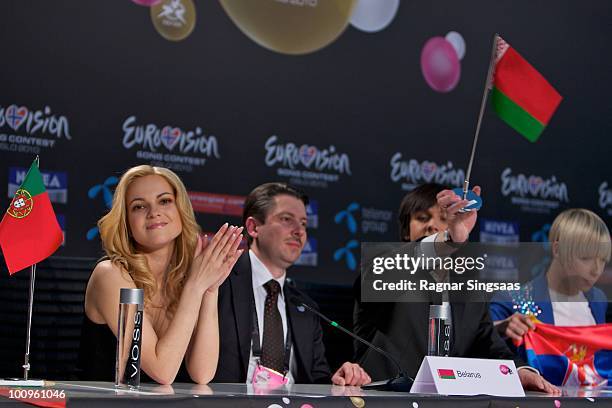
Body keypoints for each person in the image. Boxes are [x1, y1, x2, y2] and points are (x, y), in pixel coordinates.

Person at [353, 183, 560, 394]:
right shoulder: (383, 266)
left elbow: (487, 344)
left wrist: (519, 372)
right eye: (422, 218)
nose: (433, 226)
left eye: (444, 219)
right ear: (406, 231)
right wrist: (448, 238)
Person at [79, 165, 242, 384]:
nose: (153, 212)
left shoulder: (189, 275)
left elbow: (202, 374)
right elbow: (163, 372)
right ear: (126, 222)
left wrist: (210, 288)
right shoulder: (110, 274)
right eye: (138, 206)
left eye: (164, 201)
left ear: (180, 210)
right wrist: (195, 286)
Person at [213, 182, 371, 385]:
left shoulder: (305, 307)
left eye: (304, 223)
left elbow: (317, 380)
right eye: (287, 219)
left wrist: (338, 380)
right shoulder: (218, 283)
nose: (299, 231)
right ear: (253, 227)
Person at [490, 208, 610, 343]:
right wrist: (500, 328)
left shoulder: (599, 301)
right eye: (586, 258)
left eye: (603, 260)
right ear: (557, 250)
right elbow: (477, 341)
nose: (597, 270)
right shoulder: (511, 301)